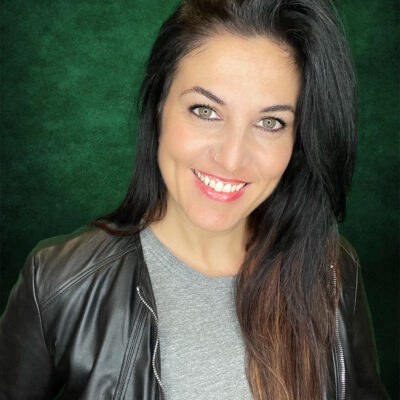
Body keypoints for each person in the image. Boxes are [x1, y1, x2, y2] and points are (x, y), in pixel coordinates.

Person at [0, 0, 389, 399]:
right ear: (159, 107)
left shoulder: (331, 270)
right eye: (205, 111)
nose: (232, 158)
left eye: (270, 122)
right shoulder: (58, 282)